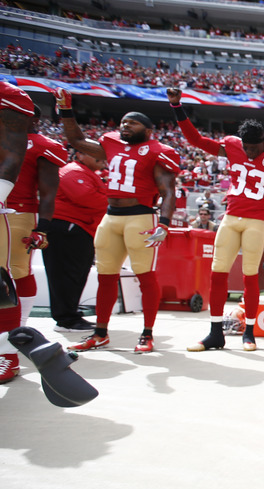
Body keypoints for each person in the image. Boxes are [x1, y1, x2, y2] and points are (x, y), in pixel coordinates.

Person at [55, 88, 181, 354]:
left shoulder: (158, 150)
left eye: (132, 122)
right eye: (123, 122)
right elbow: (77, 140)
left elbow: (168, 190)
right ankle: (100, 333)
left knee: (145, 277)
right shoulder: (110, 142)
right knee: (105, 277)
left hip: (140, 216)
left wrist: (165, 223)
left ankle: (147, 334)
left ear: (148, 130)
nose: (125, 126)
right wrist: (66, 111)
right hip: (110, 217)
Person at [167, 88, 264, 352]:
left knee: (250, 277)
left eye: (254, 147)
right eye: (247, 147)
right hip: (231, 217)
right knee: (217, 273)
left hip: (256, 221)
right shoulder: (232, 146)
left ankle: (250, 332)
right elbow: (196, 140)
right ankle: (215, 332)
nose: (250, 151)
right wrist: (178, 108)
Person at [3, 106, 67, 327]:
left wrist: (42, 228)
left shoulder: (43, 146)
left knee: (17, 269)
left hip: (17, 212)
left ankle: (19, 326)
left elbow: (48, 193)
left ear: (32, 118)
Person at [43, 150, 108, 332]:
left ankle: (69, 314)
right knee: (66, 274)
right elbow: (88, 199)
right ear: (79, 154)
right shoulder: (72, 171)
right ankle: (66, 319)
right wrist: (114, 200)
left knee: (76, 274)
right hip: (68, 228)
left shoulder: (85, 172)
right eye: (97, 153)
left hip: (79, 229)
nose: (103, 158)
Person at [0, 80, 35, 383]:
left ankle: (6, 354)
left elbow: (13, 151)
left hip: (12, 205)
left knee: (2, 277)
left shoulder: (8, 96)